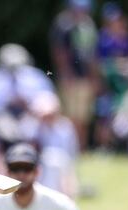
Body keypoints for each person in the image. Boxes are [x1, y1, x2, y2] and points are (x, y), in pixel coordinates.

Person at [49, 0, 99, 149]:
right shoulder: (63, 25)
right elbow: (59, 52)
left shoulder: (88, 25)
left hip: (85, 77)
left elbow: (91, 54)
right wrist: (66, 74)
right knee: (70, 117)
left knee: (83, 117)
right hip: (71, 77)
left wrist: (94, 77)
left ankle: (81, 149)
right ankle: (71, 149)